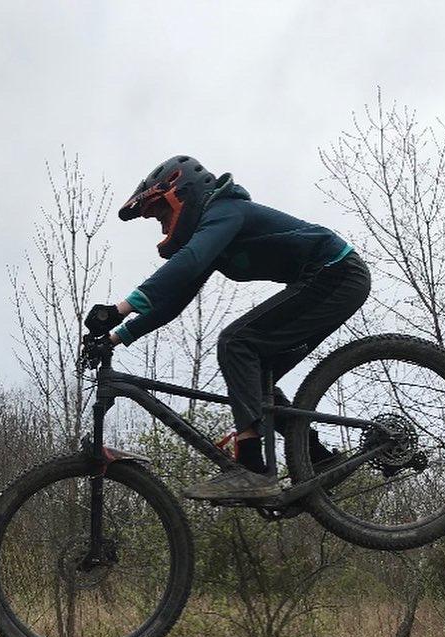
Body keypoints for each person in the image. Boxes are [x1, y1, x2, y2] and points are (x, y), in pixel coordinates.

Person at [86, 155, 371, 503]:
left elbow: (186, 262)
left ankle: (252, 470)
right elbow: (174, 300)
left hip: (337, 272)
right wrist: (117, 337)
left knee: (237, 343)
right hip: (329, 279)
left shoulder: (225, 211)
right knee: (255, 376)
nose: (162, 227)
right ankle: (318, 457)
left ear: (182, 192)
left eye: (160, 214)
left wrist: (120, 308)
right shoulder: (215, 235)